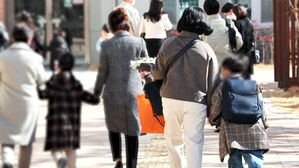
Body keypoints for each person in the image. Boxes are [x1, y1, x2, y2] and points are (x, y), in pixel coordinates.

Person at [138, 7, 219, 168]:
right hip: (196, 102)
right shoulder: (206, 49)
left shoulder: (168, 44)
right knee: (194, 142)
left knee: (173, 140)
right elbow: (213, 84)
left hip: (170, 98)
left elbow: (159, 74)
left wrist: (149, 67)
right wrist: (212, 113)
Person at [93, 8, 148, 168]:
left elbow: (102, 73)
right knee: (132, 132)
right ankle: (132, 164)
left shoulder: (107, 45)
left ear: (111, 26)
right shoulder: (139, 42)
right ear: (127, 24)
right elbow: (145, 68)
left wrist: (96, 93)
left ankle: (118, 160)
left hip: (112, 94)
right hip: (133, 94)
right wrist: (151, 86)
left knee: (114, 127)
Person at [38, 53, 99, 168]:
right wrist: (96, 97)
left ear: (59, 66)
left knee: (55, 150)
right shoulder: (75, 85)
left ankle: (60, 158)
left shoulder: (53, 82)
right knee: (71, 153)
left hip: (56, 127)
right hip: (71, 129)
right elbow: (92, 99)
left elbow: (42, 94)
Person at [209, 56, 269, 168]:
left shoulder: (223, 85)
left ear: (228, 70)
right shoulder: (253, 84)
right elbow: (261, 105)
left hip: (231, 129)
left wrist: (213, 119)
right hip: (254, 127)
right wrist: (265, 122)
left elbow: (216, 106)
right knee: (254, 157)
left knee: (234, 157)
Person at [0, 24, 45, 168]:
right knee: (26, 142)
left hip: (6, 103)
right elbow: (42, 81)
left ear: (12, 38)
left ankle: (7, 160)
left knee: (7, 138)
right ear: (29, 39)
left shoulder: (2, 57)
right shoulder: (36, 58)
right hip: (28, 105)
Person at [203, 0, 243, 65]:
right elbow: (239, 42)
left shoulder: (202, 27)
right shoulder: (229, 24)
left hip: (209, 65)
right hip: (227, 64)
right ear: (219, 10)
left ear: (205, 12)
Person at [233, 4, 255, 79]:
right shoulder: (249, 22)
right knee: (247, 76)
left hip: (240, 53)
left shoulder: (237, 23)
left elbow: (236, 39)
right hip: (248, 52)